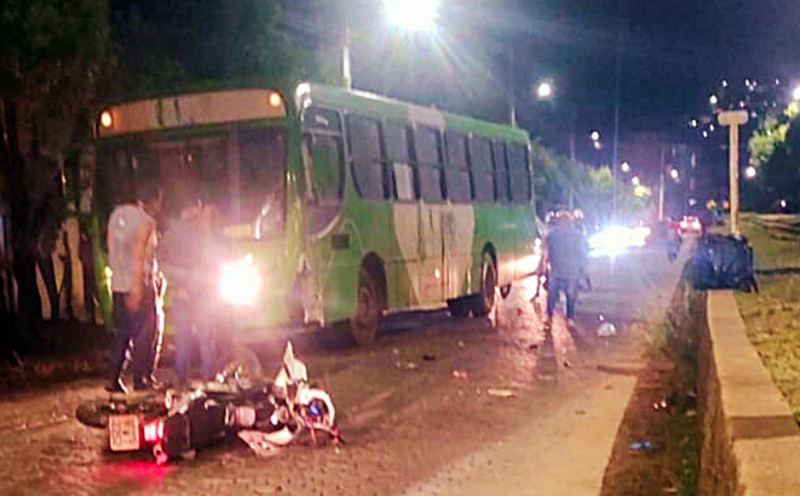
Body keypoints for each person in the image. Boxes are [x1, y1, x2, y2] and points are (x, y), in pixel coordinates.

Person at [105, 182, 163, 393]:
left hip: (118, 284)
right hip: (139, 283)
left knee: (121, 333)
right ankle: (142, 379)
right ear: (153, 201)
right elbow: (139, 254)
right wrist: (137, 288)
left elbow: (111, 246)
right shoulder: (146, 221)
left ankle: (113, 378)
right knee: (146, 333)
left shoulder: (116, 216)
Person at [159, 200, 222, 385]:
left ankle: (182, 378)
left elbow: (162, 263)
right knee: (205, 338)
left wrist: (179, 283)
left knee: (183, 339)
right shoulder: (204, 234)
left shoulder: (171, 235)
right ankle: (209, 378)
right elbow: (212, 263)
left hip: (182, 293)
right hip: (202, 294)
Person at [543, 211, 588, 328]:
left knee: (552, 293)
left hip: (556, 269)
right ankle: (569, 318)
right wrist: (583, 270)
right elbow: (582, 253)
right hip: (571, 270)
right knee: (570, 295)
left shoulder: (552, 234)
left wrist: (544, 264)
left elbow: (546, 250)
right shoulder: (577, 235)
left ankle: (549, 316)